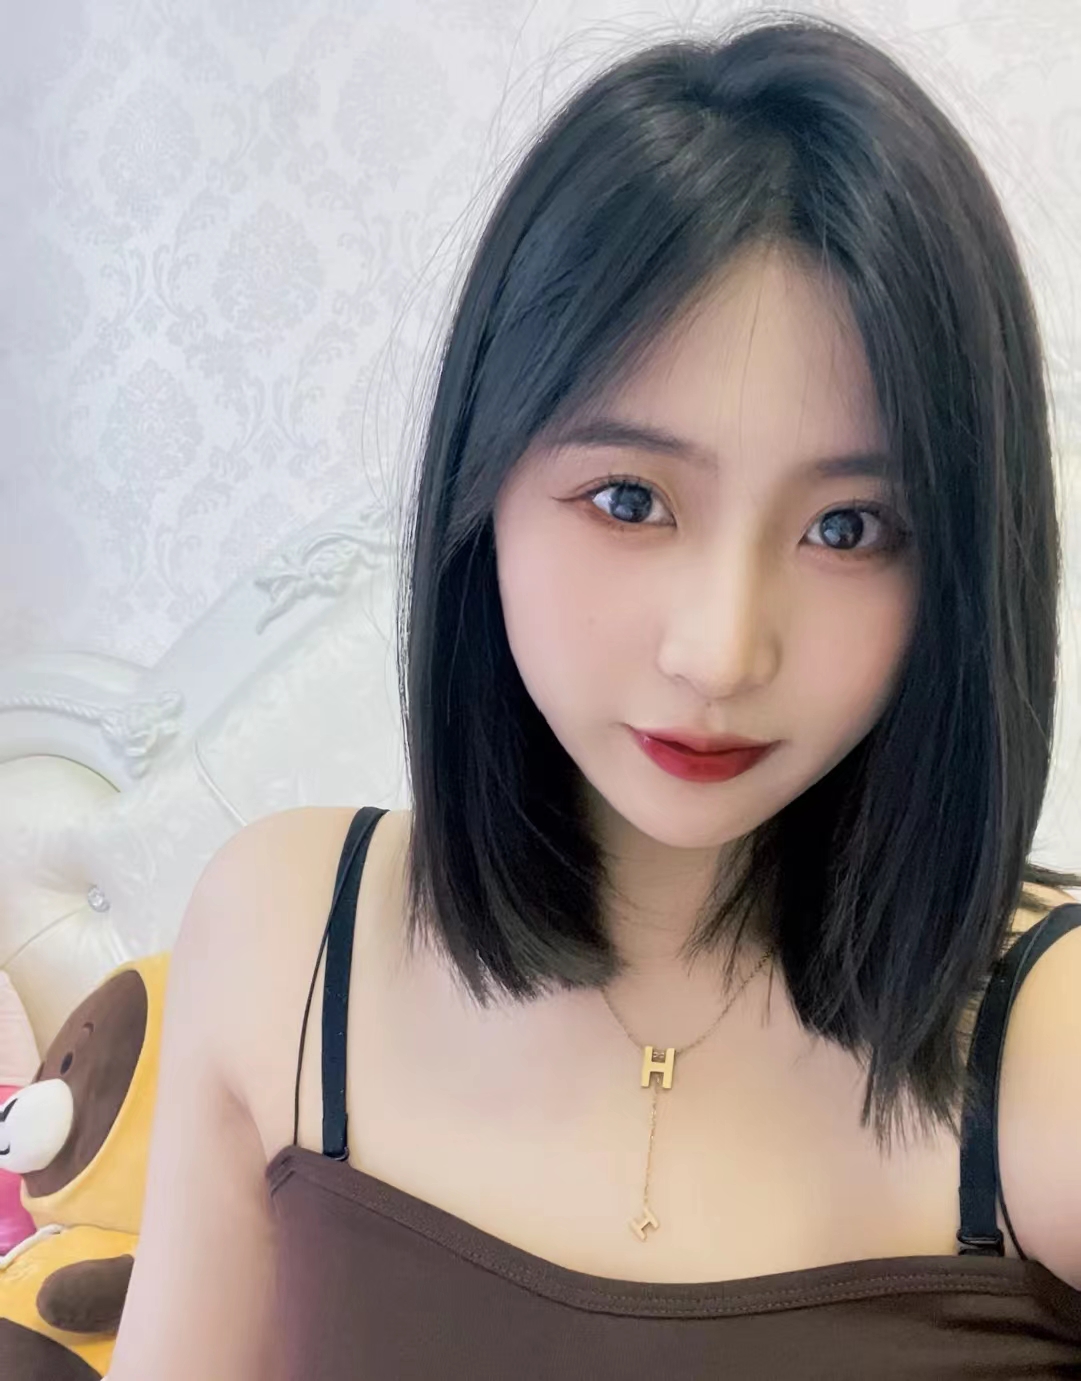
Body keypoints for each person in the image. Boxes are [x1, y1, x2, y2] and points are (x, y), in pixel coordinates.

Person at [107, 14, 1081, 1379]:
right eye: (630, 499)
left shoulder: (1048, 1042)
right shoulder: (283, 939)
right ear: (484, 487)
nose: (721, 651)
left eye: (848, 529)